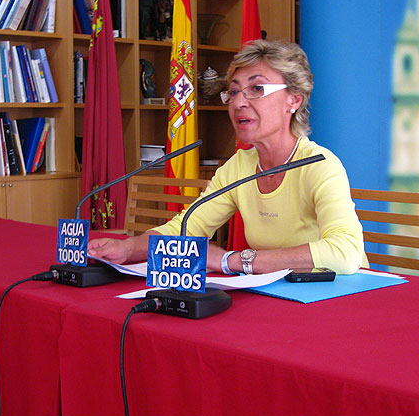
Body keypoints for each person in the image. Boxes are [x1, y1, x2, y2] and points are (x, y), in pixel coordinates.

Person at [88, 40, 367, 275]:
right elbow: (187, 228)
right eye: (233, 92)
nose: (238, 103)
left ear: (294, 99)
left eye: (257, 89)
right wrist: (129, 248)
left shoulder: (319, 165)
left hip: (337, 298)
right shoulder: (240, 166)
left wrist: (231, 261)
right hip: (278, 294)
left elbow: (346, 251)